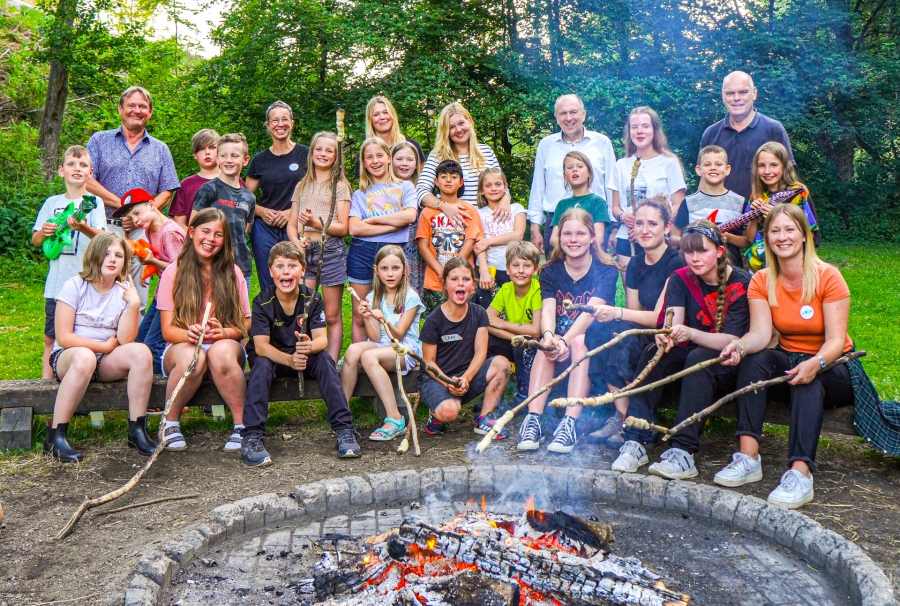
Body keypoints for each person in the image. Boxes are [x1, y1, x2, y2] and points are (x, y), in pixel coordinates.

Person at [716, 204, 855, 508]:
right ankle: (748, 457)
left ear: (804, 235)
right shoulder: (762, 280)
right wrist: (739, 345)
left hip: (835, 365)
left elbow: (834, 341)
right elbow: (762, 335)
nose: (782, 237)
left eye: (789, 229)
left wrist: (815, 363)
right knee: (755, 360)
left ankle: (800, 474)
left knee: (809, 380)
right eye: (774, 231)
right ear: (766, 239)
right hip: (790, 359)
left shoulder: (829, 277)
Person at [611, 220, 750, 478]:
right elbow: (674, 324)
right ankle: (635, 440)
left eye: (702, 251)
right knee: (654, 350)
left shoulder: (740, 282)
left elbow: (732, 339)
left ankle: (683, 453)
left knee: (698, 357)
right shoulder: (681, 278)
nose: (694, 259)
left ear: (720, 251)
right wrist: (668, 337)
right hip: (690, 352)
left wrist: (691, 333)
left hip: (727, 361)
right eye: (689, 252)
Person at [579, 197, 684, 449]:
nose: (644, 230)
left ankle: (631, 421)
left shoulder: (675, 263)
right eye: (639, 223)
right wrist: (615, 316)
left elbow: (661, 319)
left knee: (624, 338)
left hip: (669, 334)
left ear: (667, 227)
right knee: (601, 333)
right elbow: (635, 311)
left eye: (652, 224)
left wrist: (617, 312)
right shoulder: (636, 263)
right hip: (643, 329)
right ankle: (622, 414)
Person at [242, 242, 359, 466]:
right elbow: (260, 347)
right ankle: (252, 437)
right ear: (270, 272)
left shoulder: (312, 299)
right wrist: (289, 359)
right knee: (261, 367)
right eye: (280, 266)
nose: (286, 271)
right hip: (273, 356)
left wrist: (309, 346)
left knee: (325, 360)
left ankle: (344, 428)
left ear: (303, 271)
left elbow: (322, 340)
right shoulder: (262, 302)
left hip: (302, 355)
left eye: (292, 266)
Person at [43, 232, 157, 462]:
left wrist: (133, 304)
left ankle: (137, 431)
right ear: (95, 256)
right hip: (69, 358)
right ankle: (55, 437)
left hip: (104, 361)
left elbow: (125, 340)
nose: (113, 259)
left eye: (119, 255)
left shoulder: (123, 293)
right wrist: (102, 346)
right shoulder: (75, 285)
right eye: (107, 254)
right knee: (85, 357)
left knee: (142, 352)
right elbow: (64, 337)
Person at [516, 208, 619, 455]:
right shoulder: (550, 271)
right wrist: (550, 336)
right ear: (559, 238)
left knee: (579, 342)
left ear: (593, 237)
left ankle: (570, 423)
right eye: (568, 233)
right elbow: (548, 308)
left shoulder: (606, 270)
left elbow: (589, 313)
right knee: (544, 344)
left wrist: (565, 340)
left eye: (580, 233)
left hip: (595, 342)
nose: (573, 239)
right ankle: (533, 420)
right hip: (561, 341)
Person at [157, 209, 250, 452]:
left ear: (225, 240)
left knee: (219, 352)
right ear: (191, 232)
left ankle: (243, 426)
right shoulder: (173, 272)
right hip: (181, 346)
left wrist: (226, 333)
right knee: (193, 357)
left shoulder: (233, 272)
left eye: (218, 235)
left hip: (223, 343)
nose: (210, 239)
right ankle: (170, 421)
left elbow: (246, 324)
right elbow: (167, 330)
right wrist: (187, 334)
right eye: (205, 231)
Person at [86, 86, 180, 314]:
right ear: (120, 109)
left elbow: (167, 190)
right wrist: (127, 209)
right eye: (131, 105)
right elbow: (87, 181)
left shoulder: (160, 149)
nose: (136, 111)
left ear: (150, 113)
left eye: (142, 107)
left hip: (142, 232)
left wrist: (140, 218)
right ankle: (101, 332)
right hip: (105, 226)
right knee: (103, 278)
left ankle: (135, 339)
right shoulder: (99, 141)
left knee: (138, 287)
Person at [32, 145, 107, 379]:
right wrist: (44, 231)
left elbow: (103, 237)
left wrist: (82, 227)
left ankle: (82, 385)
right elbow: (36, 241)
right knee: (51, 336)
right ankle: (46, 387)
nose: (77, 168)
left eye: (83, 165)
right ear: (61, 170)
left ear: (90, 172)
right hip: (57, 284)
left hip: (87, 282)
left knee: (83, 336)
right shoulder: (51, 203)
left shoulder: (93, 202)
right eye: (72, 164)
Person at [418, 257, 511, 439]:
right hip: (437, 379)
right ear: (444, 285)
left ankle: (485, 417)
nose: (460, 284)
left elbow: (481, 352)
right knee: (450, 412)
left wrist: (465, 379)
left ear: (473, 285)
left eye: (466, 279)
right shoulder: (434, 321)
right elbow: (428, 362)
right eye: (454, 279)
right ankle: (436, 414)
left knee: (501, 363)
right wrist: (449, 383)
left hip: (467, 377)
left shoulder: (479, 313)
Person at [341, 245, 423, 441]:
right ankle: (341, 414)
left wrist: (384, 320)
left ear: (404, 269)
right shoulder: (373, 296)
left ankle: (395, 418)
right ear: (376, 270)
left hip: (405, 349)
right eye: (384, 269)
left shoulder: (410, 297)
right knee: (352, 351)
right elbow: (375, 338)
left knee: (369, 356)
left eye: (395, 268)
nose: (390, 274)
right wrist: (368, 316)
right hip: (382, 345)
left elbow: (399, 334)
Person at [286, 131, 351, 362]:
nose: (323, 154)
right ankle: (306, 355)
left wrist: (317, 223)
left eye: (329, 150)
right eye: (319, 149)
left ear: (336, 156)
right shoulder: (302, 185)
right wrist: (296, 242)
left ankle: (331, 362)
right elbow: (291, 224)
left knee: (331, 313)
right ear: (311, 153)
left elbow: (343, 227)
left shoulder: (340, 186)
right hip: (305, 252)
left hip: (330, 251)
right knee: (305, 309)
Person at [347, 137, 417, 343]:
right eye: (369, 157)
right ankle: (358, 357)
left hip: (394, 251)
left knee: (395, 308)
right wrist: (394, 224)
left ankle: (393, 352)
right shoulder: (360, 193)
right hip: (362, 252)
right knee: (361, 312)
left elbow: (410, 216)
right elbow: (354, 228)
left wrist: (373, 220)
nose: (375, 161)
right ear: (364, 162)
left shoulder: (405, 187)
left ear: (388, 157)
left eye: (379, 155)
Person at [528, 94, 617, 254]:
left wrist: (615, 226)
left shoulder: (602, 143)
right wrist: (535, 227)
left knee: (595, 273)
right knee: (557, 274)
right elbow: (538, 187)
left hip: (594, 217)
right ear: (556, 117)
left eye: (574, 112)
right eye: (563, 113)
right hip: (556, 221)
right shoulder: (546, 145)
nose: (568, 118)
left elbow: (612, 186)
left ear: (583, 114)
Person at [116, 187, 186, 374]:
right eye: (132, 218)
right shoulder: (150, 230)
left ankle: (162, 393)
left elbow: (180, 270)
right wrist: (148, 269)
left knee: (154, 345)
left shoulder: (169, 232)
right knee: (141, 341)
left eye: (137, 213)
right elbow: (159, 258)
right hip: (163, 293)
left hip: (178, 296)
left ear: (152, 205)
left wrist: (151, 261)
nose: (136, 221)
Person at [609, 106, 687, 273]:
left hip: (660, 240)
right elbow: (615, 207)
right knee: (632, 292)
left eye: (645, 126)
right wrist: (624, 217)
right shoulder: (621, 165)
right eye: (634, 127)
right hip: (627, 239)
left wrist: (650, 226)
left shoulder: (669, 163)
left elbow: (679, 205)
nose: (640, 131)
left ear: (654, 130)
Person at [245, 100, 310, 291]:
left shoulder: (306, 154)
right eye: (275, 120)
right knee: (269, 277)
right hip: (265, 227)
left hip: (297, 225)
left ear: (292, 123)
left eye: (285, 119)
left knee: (296, 276)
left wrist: (292, 212)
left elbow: (318, 191)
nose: (280, 124)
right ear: (268, 125)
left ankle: (297, 319)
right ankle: (270, 319)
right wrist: (262, 212)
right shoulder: (260, 160)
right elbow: (245, 197)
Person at [701, 71, 795, 200]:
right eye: (730, 93)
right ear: (723, 96)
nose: (736, 98)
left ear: (754, 93)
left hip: (763, 215)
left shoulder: (773, 130)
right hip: (721, 216)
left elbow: (788, 179)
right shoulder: (711, 133)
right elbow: (703, 181)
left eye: (743, 92)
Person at [416, 103, 510, 225]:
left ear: (469, 121)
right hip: (452, 225)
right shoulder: (438, 155)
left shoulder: (486, 151)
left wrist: (505, 199)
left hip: (486, 224)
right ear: (445, 131)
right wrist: (444, 206)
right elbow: (420, 191)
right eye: (451, 127)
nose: (458, 130)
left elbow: (501, 185)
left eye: (461, 123)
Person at [415, 160, 485, 314]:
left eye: (453, 177)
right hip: (435, 280)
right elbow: (423, 245)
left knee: (465, 319)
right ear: (436, 182)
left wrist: (453, 269)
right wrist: (442, 271)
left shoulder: (469, 210)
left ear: (461, 182)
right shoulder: (427, 212)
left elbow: (470, 241)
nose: (448, 180)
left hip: (463, 278)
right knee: (437, 321)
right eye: (443, 176)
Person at [191, 133, 256, 293]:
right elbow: (193, 227)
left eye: (234, 156)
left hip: (241, 264)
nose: (228, 160)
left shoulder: (249, 197)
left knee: (239, 313)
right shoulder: (209, 190)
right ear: (218, 159)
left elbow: (244, 229)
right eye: (224, 156)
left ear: (245, 160)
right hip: (212, 264)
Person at [742, 142, 820, 271]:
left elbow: (810, 235)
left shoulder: (797, 193)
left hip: (790, 266)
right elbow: (750, 239)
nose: (767, 171)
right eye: (761, 166)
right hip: (759, 267)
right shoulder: (755, 196)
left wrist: (777, 216)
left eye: (774, 165)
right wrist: (753, 216)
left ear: (784, 167)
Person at [485, 241, 543, 407]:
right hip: (516, 340)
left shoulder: (538, 290)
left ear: (535, 270)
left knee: (523, 342)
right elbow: (486, 321)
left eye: (527, 266)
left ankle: (524, 393)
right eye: (516, 265)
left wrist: (502, 324)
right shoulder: (506, 289)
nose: (520, 271)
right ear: (508, 269)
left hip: (535, 345)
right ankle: (494, 391)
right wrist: (514, 336)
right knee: (486, 336)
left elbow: (535, 330)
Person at [673, 145, 746, 262]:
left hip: (731, 267)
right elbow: (673, 237)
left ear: (727, 169)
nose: (713, 168)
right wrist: (693, 241)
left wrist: (729, 238)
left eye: (718, 164)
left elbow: (747, 241)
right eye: (707, 165)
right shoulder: (688, 202)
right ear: (698, 170)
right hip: (696, 267)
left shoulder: (740, 202)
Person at [473, 167, 526, 308]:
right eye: (488, 185)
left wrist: (488, 241)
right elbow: (479, 245)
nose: (494, 188)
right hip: (491, 270)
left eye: (498, 184)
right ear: (481, 191)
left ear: (505, 187)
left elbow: (518, 235)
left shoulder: (516, 209)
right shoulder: (478, 213)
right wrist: (484, 272)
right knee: (489, 313)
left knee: (514, 311)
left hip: (515, 269)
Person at [548, 151, 610, 254]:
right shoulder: (562, 205)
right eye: (570, 167)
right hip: (566, 258)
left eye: (580, 166)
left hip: (592, 259)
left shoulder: (597, 202)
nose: (575, 169)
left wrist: (581, 252)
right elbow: (554, 239)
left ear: (589, 172)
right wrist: (571, 249)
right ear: (565, 176)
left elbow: (599, 238)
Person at [353, 96, 426, 177]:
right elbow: (363, 184)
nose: (382, 117)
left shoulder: (412, 146)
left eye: (386, 112)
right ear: (370, 120)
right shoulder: (366, 152)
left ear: (392, 115)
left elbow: (423, 181)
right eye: (376, 114)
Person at [391, 140, 426, 294]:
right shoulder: (384, 190)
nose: (404, 164)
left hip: (417, 250)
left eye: (410, 159)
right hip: (391, 246)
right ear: (390, 161)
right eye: (399, 159)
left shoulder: (423, 190)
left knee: (413, 294)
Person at [168, 129, 220, 230]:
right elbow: (179, 223)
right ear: (195, 155)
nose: (207, 152)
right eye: (201, 148)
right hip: (194, 241)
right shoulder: (187, 184)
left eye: (212, 147)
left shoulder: (234, 181)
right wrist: (196, 239)